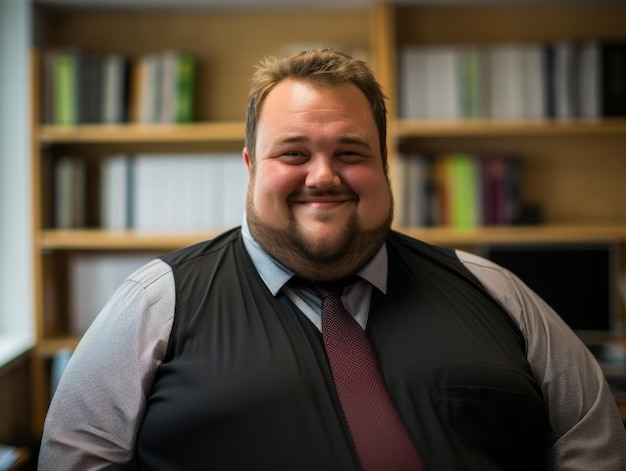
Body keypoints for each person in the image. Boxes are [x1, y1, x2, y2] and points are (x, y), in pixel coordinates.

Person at [38, 49, 626, 470]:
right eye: (293, 152)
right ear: (250, 166)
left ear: (383, 163)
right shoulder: (154, 302)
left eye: (350, 151)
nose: (323, 176)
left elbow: (591, 442)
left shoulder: (494, 291)